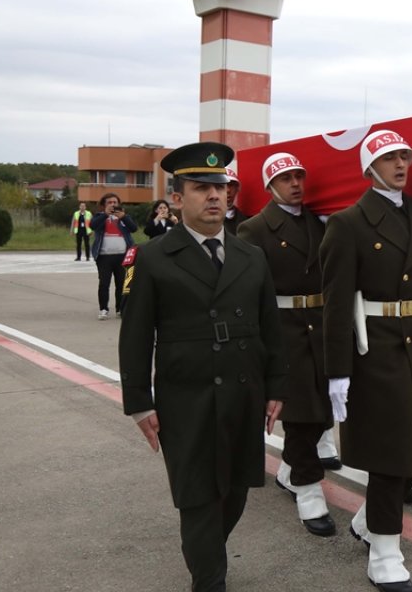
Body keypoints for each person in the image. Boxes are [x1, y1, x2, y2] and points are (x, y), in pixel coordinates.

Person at [119, 141, 286, 592]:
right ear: (177, 198)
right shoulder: (153, 257)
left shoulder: (251, 256)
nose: (215, 196)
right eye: (201, 188)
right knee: (197, 498)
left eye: (222, 187)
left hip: (242, 391)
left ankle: (206, 557)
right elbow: (135, 336)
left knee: (233, 493)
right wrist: (138, 402)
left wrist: (276, 387)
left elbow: (271, 327)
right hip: (185, 397)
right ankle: (208, 579)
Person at [321, 129, 412, 591]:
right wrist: (337, 371)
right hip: (378, 346)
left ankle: (369, 519)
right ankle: (384, 551)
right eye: (388, 158)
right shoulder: (348, 224)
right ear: (369, 168)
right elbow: (336, 302)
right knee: (392, 451)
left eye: (404, 156)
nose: (400, 164)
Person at [236, 152, 336, 537]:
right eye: (285, 178)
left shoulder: (321, 221)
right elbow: (249, 292)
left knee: (324, 411)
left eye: (298, 176)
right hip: (283, 330)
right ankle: (309, 491)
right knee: (299, 416)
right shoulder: (256, 229)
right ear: (269, 186)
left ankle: (293, 470)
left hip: (322, 327)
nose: (294, 183)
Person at [90, 192, 137, 320]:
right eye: (109, 203)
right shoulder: (100, 216)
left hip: (122, 256)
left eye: (115, 202)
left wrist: (124, 217)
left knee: (122, 284)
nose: (112, 205)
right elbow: (92, 226)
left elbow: (134, 228)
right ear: (104, 205)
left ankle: (120, 309)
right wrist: (105, 214)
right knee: (104, 283)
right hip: (104, 256)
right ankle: (103, 309)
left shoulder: (123, 218)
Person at [222, 164, 247, 235]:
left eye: (231, 185)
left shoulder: (243, 220)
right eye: (223, 185)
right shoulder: (205, 218)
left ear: (237, 189)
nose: (228, 190)